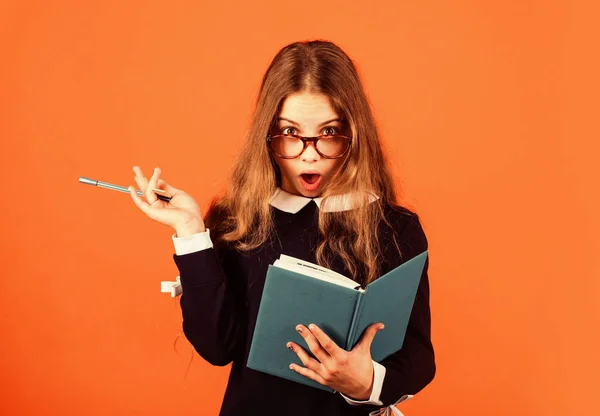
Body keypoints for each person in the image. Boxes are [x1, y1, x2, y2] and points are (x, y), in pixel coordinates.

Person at [128, 40, 435, 416]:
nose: (309, 153)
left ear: (355, 135)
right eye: (291, 133)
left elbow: (418, 357)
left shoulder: (394, 227)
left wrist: (365, 383)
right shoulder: (237, 219)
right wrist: (191, 233)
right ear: (267, 136)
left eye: (328, 133)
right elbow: (217, 347)